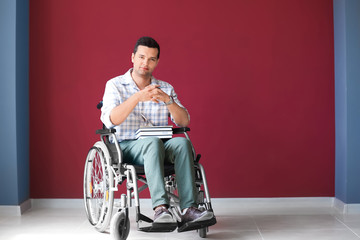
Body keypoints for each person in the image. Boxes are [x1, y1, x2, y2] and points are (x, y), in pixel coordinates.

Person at [100, 36, 215, 231]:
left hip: (160, 145)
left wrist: (167, 100)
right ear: (133, 57)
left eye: (151, 59)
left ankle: (188, 209)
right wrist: (138, 97)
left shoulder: (165, 88)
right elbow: (113, 119)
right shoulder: (115, 85)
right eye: (142, 57)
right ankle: (161, 208)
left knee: (182, 144)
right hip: (127, 147)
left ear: (157, 62)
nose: (146, 63)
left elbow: (184, 121)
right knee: (152, 142)